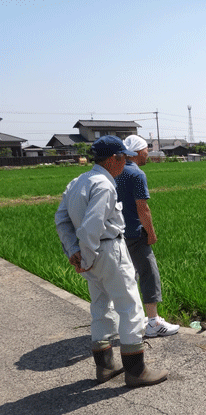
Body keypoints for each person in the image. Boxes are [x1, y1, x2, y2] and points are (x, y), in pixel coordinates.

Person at [55, 135, 169, 388]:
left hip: (89, 253)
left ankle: (105, 367)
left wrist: (74, 252)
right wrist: (85, 255)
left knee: (100, 306)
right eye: (123, 158)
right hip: (106, 250)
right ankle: (136, 371)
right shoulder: (104, 185)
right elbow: (90, 227)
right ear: (114, 159)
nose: (125, 163)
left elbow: (62, 220)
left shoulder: (77, 181)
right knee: (129, 308)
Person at [116, 135, 179, 338]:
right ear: (136, 152)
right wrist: (151, 233)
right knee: (149, 273)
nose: (148, 154)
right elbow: (142, 207)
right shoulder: (136, 174)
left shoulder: (115, 171)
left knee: (127, 276)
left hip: (116, 233)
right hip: (135, 232)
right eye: (146, 150)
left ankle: (131, 318)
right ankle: (153, 322)